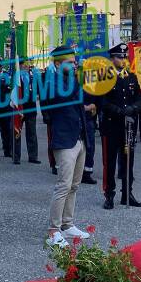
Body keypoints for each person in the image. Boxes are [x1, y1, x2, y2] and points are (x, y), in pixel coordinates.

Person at [43, 45, 93, 248]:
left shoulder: (70, 80)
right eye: (70, 62)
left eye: (75, 62)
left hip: (78, 137)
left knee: (74, 185)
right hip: (64, 139)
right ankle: (53, 230)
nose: (75, 65)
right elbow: (63, 97)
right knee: (63, 185)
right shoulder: (51, 81)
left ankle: (67, 224)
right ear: (57, 63)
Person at [99, 43, 141, 209]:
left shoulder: (131, 76)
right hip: (112, 126)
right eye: (119, 57)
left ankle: (127, 194)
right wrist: (120, 111)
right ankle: (109, 194)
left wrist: (133, 108)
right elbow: (103, 102)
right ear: (111, 59)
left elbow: (140, 98)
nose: (123, 59)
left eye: (125, 56)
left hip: (128, 128)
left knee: (128, 161)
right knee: (110, 162)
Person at [17, 59, 40, 164]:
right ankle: (16, 156)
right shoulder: (16, 78)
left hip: (31, 108)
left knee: (32, 133)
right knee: (17, 132)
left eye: (28, 65)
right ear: (20, 66)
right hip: (20, 108)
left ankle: (33, 156)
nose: (27, 66)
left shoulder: (33, 77)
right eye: (24, 65)